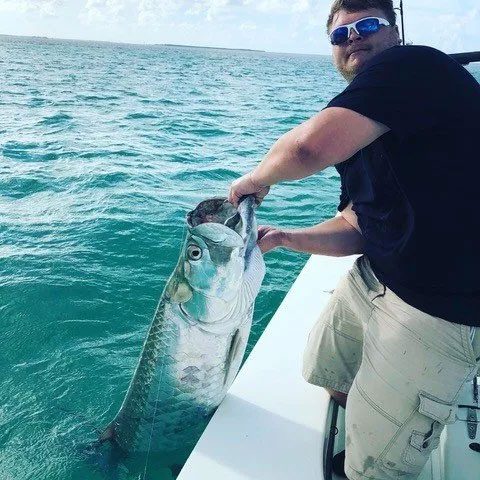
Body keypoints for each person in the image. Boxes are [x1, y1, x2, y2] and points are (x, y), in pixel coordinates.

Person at [228, 0, 480, 479]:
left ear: (395, 32)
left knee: (376, 471)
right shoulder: (366, 119)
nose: (353, 39)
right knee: (327, 371)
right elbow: (358, 226)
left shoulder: (414, 64)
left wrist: (256, 179)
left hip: (441, 308)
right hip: (377, 278)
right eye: (339, 35)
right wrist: (285, 237)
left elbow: (306, 148)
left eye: (367, 26)